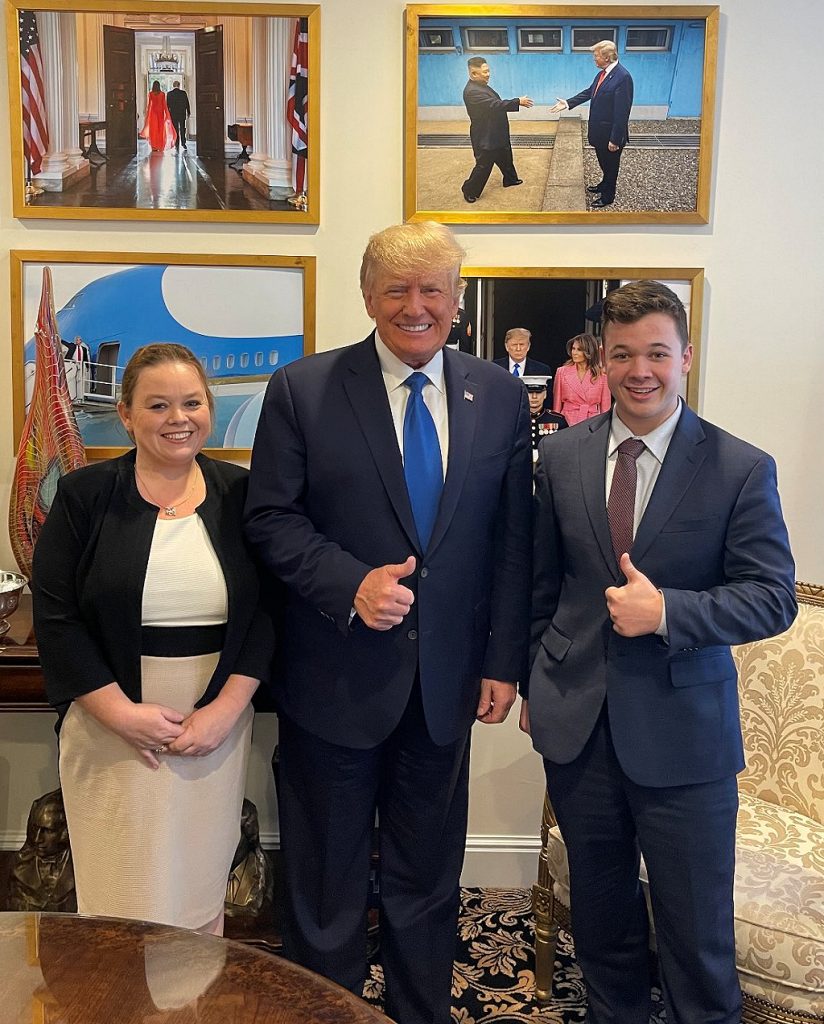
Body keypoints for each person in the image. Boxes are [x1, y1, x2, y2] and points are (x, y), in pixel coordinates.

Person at [244, 222, 532, 1024]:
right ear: (367, 296)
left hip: (445, 689)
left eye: (432, 289)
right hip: (332, 680)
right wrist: (351, 584)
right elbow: (270, 519)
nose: (416, 307)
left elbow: (513, 540)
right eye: (397, 290)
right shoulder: (303, 389)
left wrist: (503, 661)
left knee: (427, 882)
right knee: (326, 886)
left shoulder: (500, 396)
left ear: (457, 299)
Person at [523, 280, 796, 1023]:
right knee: (603, 927)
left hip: (686, 741)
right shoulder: (566, 457)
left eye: (655, 353)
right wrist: (533, 683)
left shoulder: (740, 468)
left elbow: (772, 597)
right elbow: (542, 586)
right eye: (621, 355)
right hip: (579, 731)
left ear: (685, 356)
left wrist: (669, 610)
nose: (639, 370)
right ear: (600, 361)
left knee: (694, 936)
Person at [31, 342, 273, 936]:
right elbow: (57, 617)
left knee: (197, 891)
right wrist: (121, 714)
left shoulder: (242, 495)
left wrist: (223, 711)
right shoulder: (85, 495)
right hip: (110, 724)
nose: (178, 418)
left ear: (209, 409)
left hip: (212, 724)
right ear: (126, 413)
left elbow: (268, 612)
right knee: (121, 893)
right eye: (158, 404)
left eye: (192, 402)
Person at [549, 40, 633, 208]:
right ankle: (604, 184)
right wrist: (568, 103)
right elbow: (590, 92)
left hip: (610, 135)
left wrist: (615, 139)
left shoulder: (623, 77)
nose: (594, 59)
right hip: (600, 133)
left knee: (611, 166)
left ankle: (608, 196)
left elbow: (622, 112)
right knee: (604, 163)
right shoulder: (603, 73)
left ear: (607, 57)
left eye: (596, 56)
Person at [462, 57, 533, 203]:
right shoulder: (472, 92)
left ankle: (510, 179)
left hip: (496, 132)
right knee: (483, 166)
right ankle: (469, 190)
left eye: (488, 71)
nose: (488, 74)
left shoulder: (481, 85)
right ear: (474, 74)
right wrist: (517, 101)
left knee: (506, 157)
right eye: (484, 72)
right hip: (485, 136)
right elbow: (495, 105)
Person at [552, 331, 611, 425]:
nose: (574, 353)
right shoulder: (561, 372)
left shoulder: (602, 376)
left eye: (579, 349)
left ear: (589, 352)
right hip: (567, 423)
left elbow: (606, 410)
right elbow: (556, 406)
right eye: (573, 349)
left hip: (592, 423)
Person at [524, 377, 567, 450]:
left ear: (545, 394)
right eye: (530, 392)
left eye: (538, 392)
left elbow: (565, 447)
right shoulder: (516, 420)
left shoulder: (557, 420)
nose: (534, 397)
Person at [139, 80, 176, 152]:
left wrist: (147, 115)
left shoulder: (151, 94)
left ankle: (154, 146)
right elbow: (164, 105)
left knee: (153, 130)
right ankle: (160, 145)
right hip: (160, 113)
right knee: (160, 130)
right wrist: (167, 115)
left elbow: (149, 105)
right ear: (159, 86)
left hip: (153, 113)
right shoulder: (162, 94)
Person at [166, 80, 191, 151]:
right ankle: (183, 143)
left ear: (173, 85)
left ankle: (176, 143)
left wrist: (167, 115)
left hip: (173, 114)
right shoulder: (183, 93)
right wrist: (188, 112)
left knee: (175, 129)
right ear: (179, 85)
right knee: (183, 128)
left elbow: (167, 105)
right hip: (182, 113)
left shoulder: (169, 94)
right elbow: (187, 103)